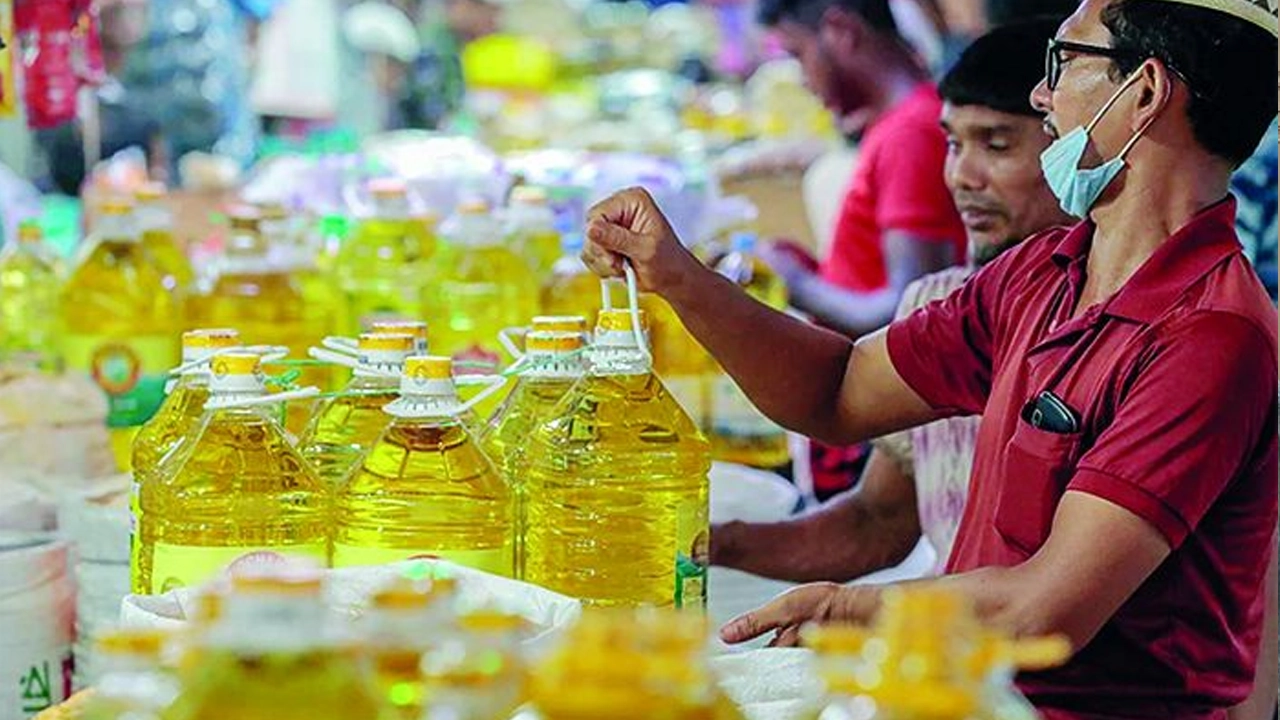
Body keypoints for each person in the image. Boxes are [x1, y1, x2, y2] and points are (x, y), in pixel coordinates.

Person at [580, 0, 1278, 716]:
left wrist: (853, 610)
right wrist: (677, 277)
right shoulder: (1043, 272)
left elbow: (1042, 612)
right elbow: (839, 390)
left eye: (1064, 63)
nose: (1043, 95)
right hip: (970, 692)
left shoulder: (1209, 336)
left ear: (1146, 92)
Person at [712, 18, 1072, 582]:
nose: (961, 176)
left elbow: (1044, 599)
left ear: (1076, 153)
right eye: (954, 144)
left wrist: (688, 280)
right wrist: (703, 543)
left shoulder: (1110, 330)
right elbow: (875, 524)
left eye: (997, 145)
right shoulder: (938, 304)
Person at [753, 0, 966, 340]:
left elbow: (910, 312)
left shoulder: (910, 134)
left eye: (798, 55)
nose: (803, 81)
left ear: (841, 31)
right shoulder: (896, 124)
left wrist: (796, 281)